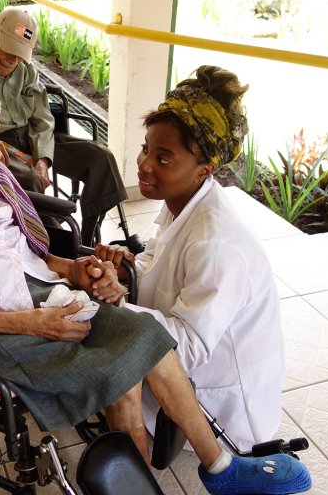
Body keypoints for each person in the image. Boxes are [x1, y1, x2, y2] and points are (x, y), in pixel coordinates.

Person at [0, 73, 311, 494]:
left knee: (148, 335)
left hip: (36, 291)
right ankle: (189, 476)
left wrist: (71, 269)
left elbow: (26, 253)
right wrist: (33, 324)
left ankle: (218, 467)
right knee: (122, 372)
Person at [95, 65, 283, 451]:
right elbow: (158, 265)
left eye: (164, 159)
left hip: (225, 411)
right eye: (147, 147)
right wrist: (127, 267)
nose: (144, 164)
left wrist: (116, 303)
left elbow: (192, 347)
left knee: (111, 375)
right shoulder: (181, 203)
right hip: (191, 370)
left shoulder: (217, 244)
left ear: (204, 169)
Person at [0, 7, 127, 246]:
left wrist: (44, 158)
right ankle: (58, 243)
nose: (13, 61)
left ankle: (88, 235)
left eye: (20, 55)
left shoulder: (25, 68)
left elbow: (42, 117)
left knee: (101, 158)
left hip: (32, 137)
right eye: (9, 52)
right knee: (30, 179)